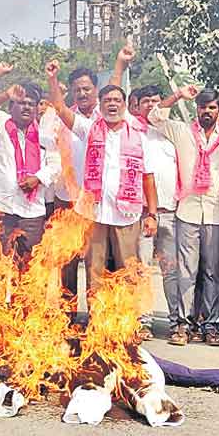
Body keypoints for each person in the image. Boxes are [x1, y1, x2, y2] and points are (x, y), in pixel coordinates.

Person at [45, 59, 160, 298]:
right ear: (101, 104)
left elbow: (148, 177)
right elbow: (59, 107)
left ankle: (127, 326)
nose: (112, 105)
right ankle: (98, 324)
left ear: (125, 105)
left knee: (127, 272)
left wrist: (152, 214)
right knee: (94, 271)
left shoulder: (139, 137)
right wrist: (53, 79)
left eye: (117, 101)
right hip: (94, 213)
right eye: (108, 101)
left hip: (127, 215)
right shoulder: (89, 129)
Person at [148, 85, 219, 345]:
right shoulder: (183, 131)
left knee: (212, 272)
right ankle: (182, 326)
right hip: (188, 211)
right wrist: (178, 96)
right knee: (187, 270)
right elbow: (155, 116)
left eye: (212, 107)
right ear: (196, 109)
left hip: (216, 212)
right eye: (202, 107)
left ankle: (211, 325)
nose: (206, 111)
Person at [0, 82, 60, 261]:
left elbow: (56, 165)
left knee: (27, 268)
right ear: (11, 106)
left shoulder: (45, 134)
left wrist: (38, 178)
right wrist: (6, 94)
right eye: (22, 103)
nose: (27, 107)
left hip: (32, 212)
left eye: (32, 104)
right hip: (2, 208)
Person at [130, 85, 178, 340]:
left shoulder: (174, 133)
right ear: (136, 106)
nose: (151, 105)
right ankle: (144, 322)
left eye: (156, 101)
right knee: (142, 270)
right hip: (142, 213)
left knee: (172, 270)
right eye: (146, 101)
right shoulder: (134, 133)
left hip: (171, 211)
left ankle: (177, 323)